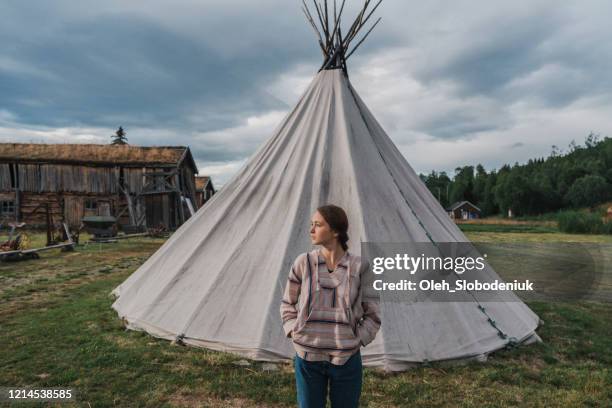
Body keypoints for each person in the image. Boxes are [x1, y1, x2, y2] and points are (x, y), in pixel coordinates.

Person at [280, 204, 381, 408]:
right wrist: (294, 331)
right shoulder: (304, 263)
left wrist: (357, 340)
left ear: (335, 231)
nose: (311, 230)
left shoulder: (361, 268)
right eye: (312, 224)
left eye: (317, 225)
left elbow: (373, 314)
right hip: (307, 357)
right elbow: (287, 303)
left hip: (346, 359)